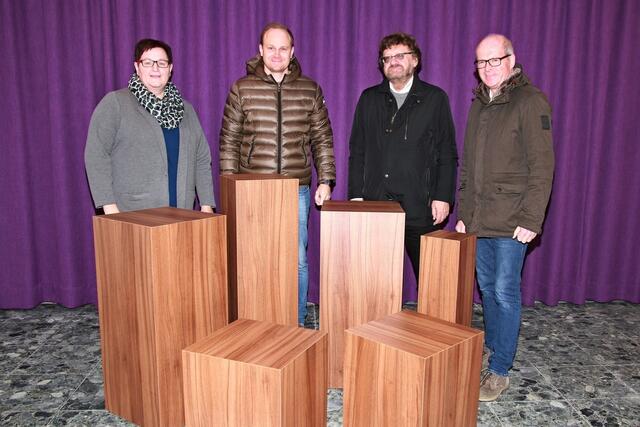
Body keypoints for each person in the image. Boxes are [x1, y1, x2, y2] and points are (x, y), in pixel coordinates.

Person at [455, 34, 555, 401]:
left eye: (494, 60)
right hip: (480, 218)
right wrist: (465, 213)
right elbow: (468, 167)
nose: (487, 69)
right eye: (481, 62)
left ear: (511, 59)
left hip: (514, 220)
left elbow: (542, 167)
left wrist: (532, 218)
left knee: (505, 291)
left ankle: (499, 370)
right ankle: (495, 348)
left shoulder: (531, 101)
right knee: (487, 289)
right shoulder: (478, 104)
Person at [219, 23, 336, 327]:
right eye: (270, 47)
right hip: (251, 189)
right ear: (260, 51)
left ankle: (295, 323)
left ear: (292, 52)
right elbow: (228, 141)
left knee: (296, 261)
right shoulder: (241, 88)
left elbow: (322, 138)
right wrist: (230, 188)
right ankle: (253, 321)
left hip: (295, 189)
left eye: (283, 48)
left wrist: (325, 179)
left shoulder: (310, 89)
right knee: (254, 260)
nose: (277, 54)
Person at [347, 32, 458, 287]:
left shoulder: (434, 99)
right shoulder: (368, 98)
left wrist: (443, 197)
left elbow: (447, 152)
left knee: (430, 279)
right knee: (375, 280)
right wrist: (356, 197)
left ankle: (430, 326)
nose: (392, 62)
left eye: (399, 55)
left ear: (415, 60)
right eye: (386, 58)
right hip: (376, 205)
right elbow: (358, 151)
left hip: (420, 205)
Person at [85, 38, 215, 214]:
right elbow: (96, 155)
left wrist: (207, 204)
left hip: (183, 215)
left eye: (161, 63)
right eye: (148, 62)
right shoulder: (115, 103)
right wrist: (109, 207)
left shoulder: (187, 110)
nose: (155, 68)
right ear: (137, 67)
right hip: (131, 217)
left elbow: (201, 159)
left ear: (170, 69)